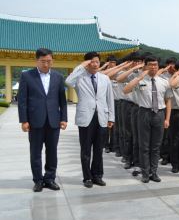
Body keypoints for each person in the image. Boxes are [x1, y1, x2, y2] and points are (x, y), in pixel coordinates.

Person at [18, 48, 67, 192]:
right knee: (35, 152)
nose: (46, 64)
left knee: (52, 151)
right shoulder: (27, 76)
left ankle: (50, 179)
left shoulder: (58, 77)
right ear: (36, 61)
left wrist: (63, 118)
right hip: (35, 121)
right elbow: (22, 101)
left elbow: (62, 101)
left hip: (53, 121)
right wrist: (24, 120)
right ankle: (38, 180)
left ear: (52, 61)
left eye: (49, 61)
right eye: (43, 61)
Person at [66, 52, 115, 188]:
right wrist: (81, 66)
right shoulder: (79, 78)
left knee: (99, 150)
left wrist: (111, 117)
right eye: (92, 62)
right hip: (86, 118)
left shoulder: (105, 78)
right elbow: (68, 81)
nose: (95, 64)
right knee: (86, 150)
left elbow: (109, 99)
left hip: (102, 117)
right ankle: (87, 177)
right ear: (87, 63)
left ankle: (97, 175)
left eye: (97, 62)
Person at [123, 56, 172, 183]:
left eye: (155, 65)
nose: (153, 67)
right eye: (150, 65)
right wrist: (139, 77)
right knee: (144, 146)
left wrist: (167, 119)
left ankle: (154, 172)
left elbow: (168, 100)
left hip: (159, 114)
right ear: (145, 66)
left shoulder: (164, 82)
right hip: (144, 113)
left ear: (158, 66)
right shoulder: (139, 80)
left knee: (156, 146)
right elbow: (125, 90)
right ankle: (145, 173)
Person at [160, 57, 177, 165]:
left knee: (174, 135)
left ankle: (173, 156)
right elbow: (169, 84)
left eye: (174, 64)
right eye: (170, 65)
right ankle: (165, 156)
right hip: (166, 107)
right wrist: (165, 69)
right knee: (165, 135)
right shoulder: (162, 77)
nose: (172, 67)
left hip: (177, 108)